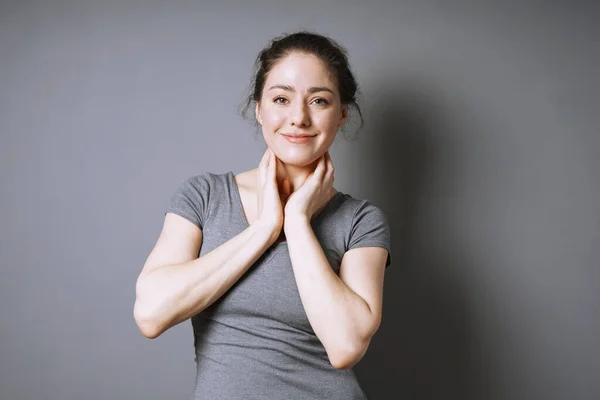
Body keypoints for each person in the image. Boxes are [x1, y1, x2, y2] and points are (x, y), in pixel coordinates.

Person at [133, 31, 392, 400]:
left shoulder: (360, 220)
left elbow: (346, 346)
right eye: (281, 98)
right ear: (259, 108)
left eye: (319, 100)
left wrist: (298, 223)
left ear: (342, 114)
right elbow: (151, 314)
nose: (299, 118)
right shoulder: (205, 197)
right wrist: (267, 227)